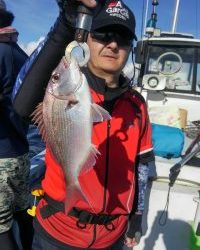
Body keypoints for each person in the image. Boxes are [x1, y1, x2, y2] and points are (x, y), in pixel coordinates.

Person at [13, 0, 155, 249]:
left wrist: (137, 216)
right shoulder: (59, 90)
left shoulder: (137, 105)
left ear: (130, 47)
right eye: (103, 34)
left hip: (113, 236)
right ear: (87, 39)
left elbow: (142, 166)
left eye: (122, 38)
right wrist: (67, 22)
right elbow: (23, 105)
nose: (112, 44)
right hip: (57, 233)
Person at [0, 1, 34, 250]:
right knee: (23, 212)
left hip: (0, 155)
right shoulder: (19, 52)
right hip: (21, 152)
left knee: (1, 226)